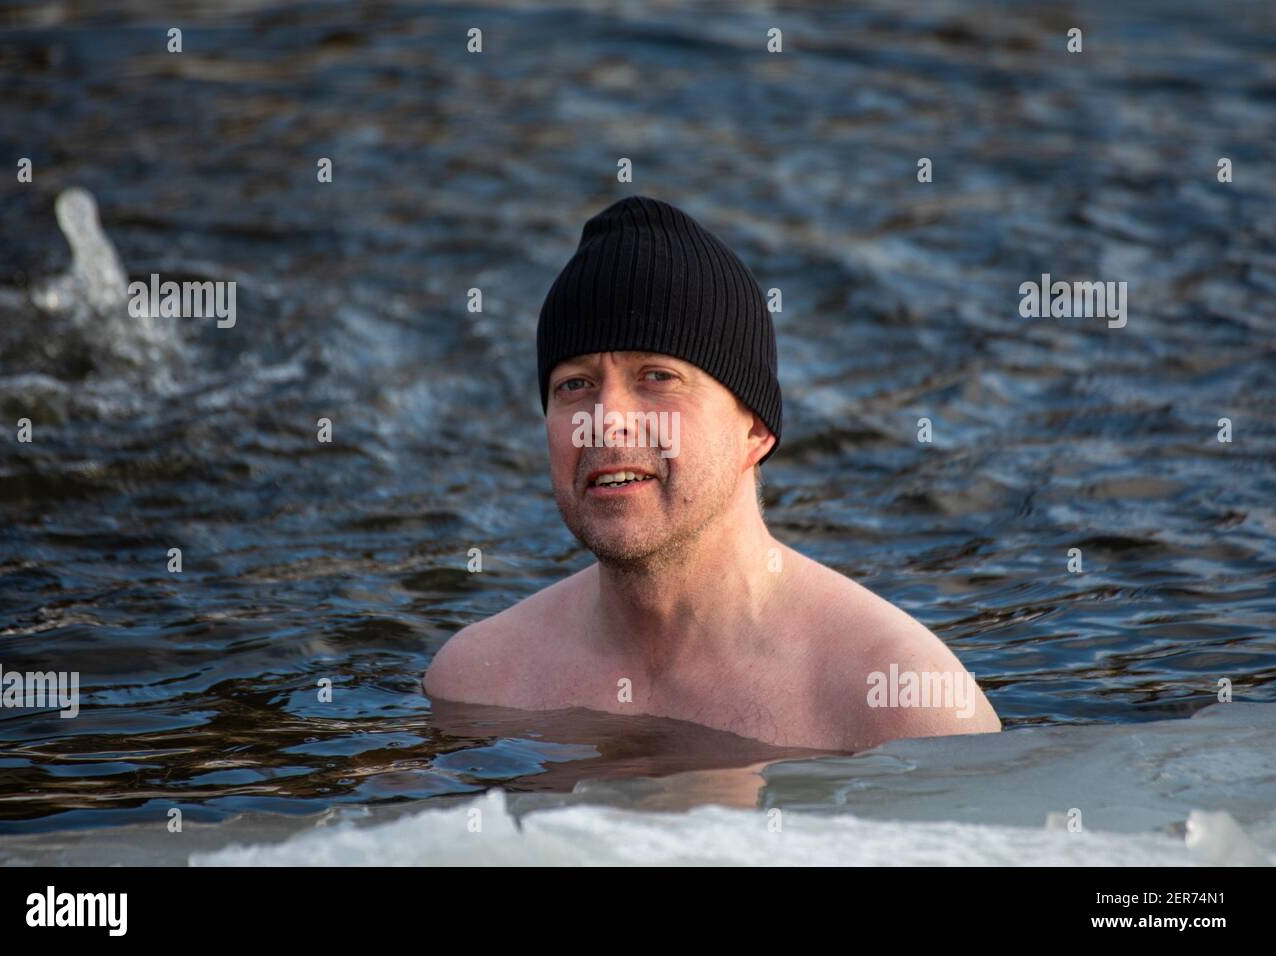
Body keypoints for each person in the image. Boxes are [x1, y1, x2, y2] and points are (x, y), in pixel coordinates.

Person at [424, 195, 1001, 750]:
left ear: (755, 429)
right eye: (574, 384)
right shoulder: (477, 688)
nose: (606, 422)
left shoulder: (901, 706)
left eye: (657, 377)